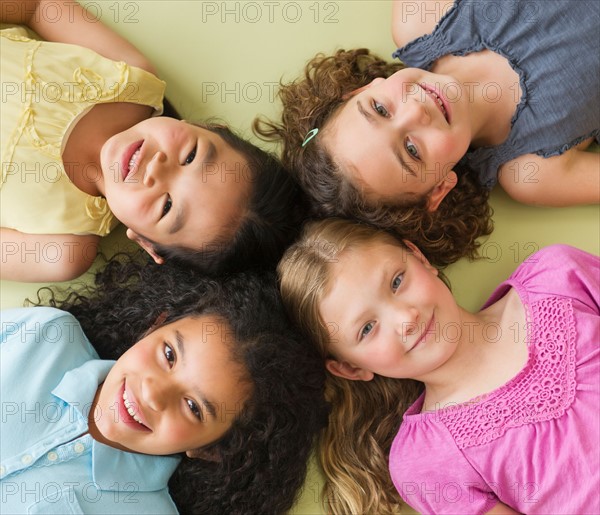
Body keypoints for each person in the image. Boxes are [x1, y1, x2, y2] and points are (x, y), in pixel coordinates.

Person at [277, 218, 599, 515]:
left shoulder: (556, 277)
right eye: (366, 329)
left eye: (397, 281)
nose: (405, 319)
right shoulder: (426, 460)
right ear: (350, 368)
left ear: (419, 257)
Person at [255, 0, 599, 267]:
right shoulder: (532, 171)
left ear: (357, 91)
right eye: (411, 150)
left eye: (379, 109)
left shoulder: (420, 18)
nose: (416, 110)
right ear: (439, 188)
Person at [1, 0, 305, 282]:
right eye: (190, 156)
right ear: (206, 127)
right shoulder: (131, 78)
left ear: (145, 242)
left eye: (167, 206)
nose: (158, 169)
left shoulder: (63, 251)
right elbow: (37, 7)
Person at [1, 258, 328, 514]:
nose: (154, 395)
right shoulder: (45, 335)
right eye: (169, 354)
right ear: (155, 324)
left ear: (211, 449)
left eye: (193, 407)